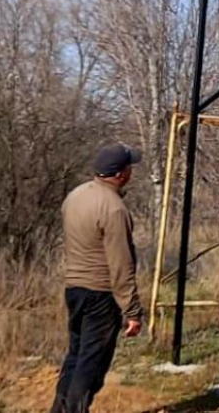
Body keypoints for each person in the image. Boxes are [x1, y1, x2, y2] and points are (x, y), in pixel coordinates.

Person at [50, 143, 144, 413]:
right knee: (92, 364)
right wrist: (133, 311)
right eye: (129, 167)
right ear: (120, 174)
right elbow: (121, 265)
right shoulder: (114, 209)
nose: (131, 171)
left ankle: (59, 409)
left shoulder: (76, 196)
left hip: (74, 289)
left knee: (75, 356)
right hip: (100, 294)